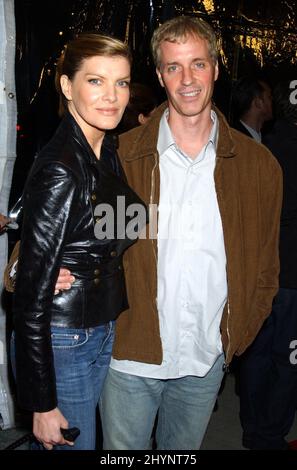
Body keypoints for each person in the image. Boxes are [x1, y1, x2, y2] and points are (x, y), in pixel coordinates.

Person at [57, 16, 282, 450]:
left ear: (216, 69)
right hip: (130, 360)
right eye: (174, 67)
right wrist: (29, 271)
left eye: (198, 64)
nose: (187, 79)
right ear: (160, 76)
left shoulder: (258, 168)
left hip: (206, 362)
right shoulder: (121, 157)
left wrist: (234, 339)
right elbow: (62, 231)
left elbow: (266, 269)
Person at [12, 32, 145, 450]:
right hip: (64, 337)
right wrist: (41, 404)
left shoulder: (103, 148)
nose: (111, 96)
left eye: (121, 82)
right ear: (67, 86)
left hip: (97, 325)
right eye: (95, 81)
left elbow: (101, 231)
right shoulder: (62, 168)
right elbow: (30, 297)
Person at [239, 79, 297, 450]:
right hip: (293, 278)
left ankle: (251, 427)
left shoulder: (261, 148)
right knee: (287, 362)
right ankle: (269, 436)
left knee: (257, 356)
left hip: (261, 274)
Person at [231, 76, 273, 142]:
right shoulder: (235, 140)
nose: (272, 101)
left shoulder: (269, 139)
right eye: (269, 97)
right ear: (258, 102)